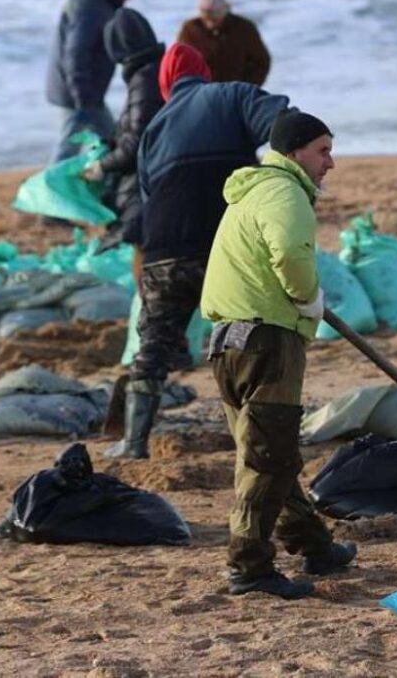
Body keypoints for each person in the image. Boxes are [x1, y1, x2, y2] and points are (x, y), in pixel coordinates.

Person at [104, 43, 289, 460]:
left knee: (152, 345)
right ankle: (256, 433)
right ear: (203, 72)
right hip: (222, 249)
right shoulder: (232, 96)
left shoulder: (153, 128)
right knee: (246, 334)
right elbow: (284, 123)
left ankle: (134, 443)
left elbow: (147, 194)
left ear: (166, 84)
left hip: (162, 253)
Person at [200, 109, 356, 599]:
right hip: (267, 340)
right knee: (267, 457)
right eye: (322, 150)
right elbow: (289, 252)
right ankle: (248, 567)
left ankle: (315, 545)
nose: (330, 163)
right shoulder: (285, 192)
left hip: (228, 340)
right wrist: (307, 295)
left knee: (273, 450)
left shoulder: (253, 192)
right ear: (293, 153)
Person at [46, 0, 143, 162]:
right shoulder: (89, 6)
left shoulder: (101, 2)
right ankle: (49, 191)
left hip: (87, 93)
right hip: (75, 94)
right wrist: (82, 101)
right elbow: (75, 55)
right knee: (69, 148)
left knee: (109, 140)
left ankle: (106, 189)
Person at [82, 7, 165, 255]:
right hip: (156, 177)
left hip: (144, 184)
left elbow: (138, 140)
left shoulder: (143, 80)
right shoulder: (155, 70)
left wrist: (103, 165)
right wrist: (109, 143)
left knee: (138, 243)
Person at [176, 0, 271, 85]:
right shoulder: (190, 30)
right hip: (201, 93)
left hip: (236, 92)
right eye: (207, 19)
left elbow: (261, 61)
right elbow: (178, 63)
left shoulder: (244, 28)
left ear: (225, 11)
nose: (211, 24)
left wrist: (249, 87)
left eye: (215, 19)